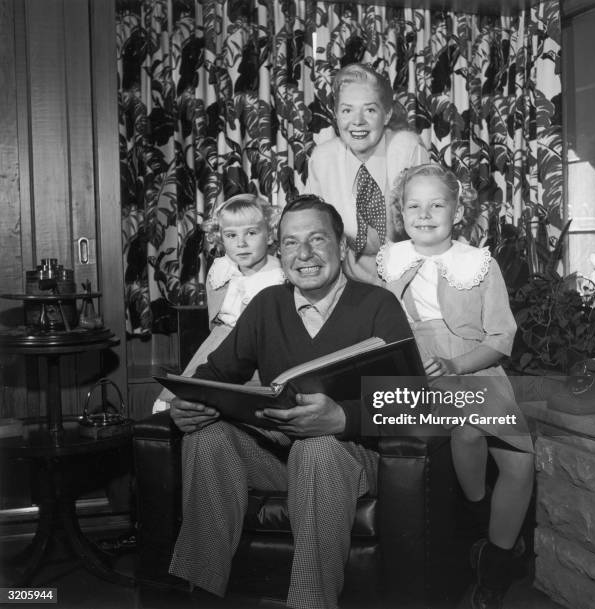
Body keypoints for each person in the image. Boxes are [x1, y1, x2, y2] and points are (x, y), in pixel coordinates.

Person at [168, 195, 413, 609]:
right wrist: (187, 403)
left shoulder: (378, 305)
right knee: (206, 439)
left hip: (351, 457)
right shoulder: (267, 305)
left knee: (316, 449)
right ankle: (200, 594)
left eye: (317, 240)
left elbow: (414, 403)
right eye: (290, 242)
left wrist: (341, 417)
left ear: (340, 244)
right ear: (279, 250)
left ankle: (310, 603)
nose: (304, 255)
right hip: (280, 456)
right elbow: (215, 375)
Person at [376, 164, 534, 609]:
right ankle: (482, 526)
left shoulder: (478, 263)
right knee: (466, 433)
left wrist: (454, 364)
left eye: (437, 204)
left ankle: (495, 561)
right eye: (413, 205)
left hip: (473, 366)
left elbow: (501, 338)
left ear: (457, 209)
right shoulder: (389, 261)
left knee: (521, 464)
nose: (424, 214)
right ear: (400, 212)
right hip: (414, 372)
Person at [152, 193, 285, 413]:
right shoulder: (222, 271)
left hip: (261, 348)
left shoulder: (278, 276)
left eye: (251, 233)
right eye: (231, 235)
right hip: (221, 344)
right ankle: (181, 398)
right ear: (220, 239)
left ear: (270, 235)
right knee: (213, 351)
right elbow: (214, 321)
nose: (241, 243)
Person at [306, 63, 429, 285]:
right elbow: (315, 233)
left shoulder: (407, 148)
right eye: (347, 110)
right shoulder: (323, 159)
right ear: (335, 115)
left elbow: (426, 227)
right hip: (344, 283)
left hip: (410, 277)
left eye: (370, 110)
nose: (357, 121)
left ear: (387, 114)